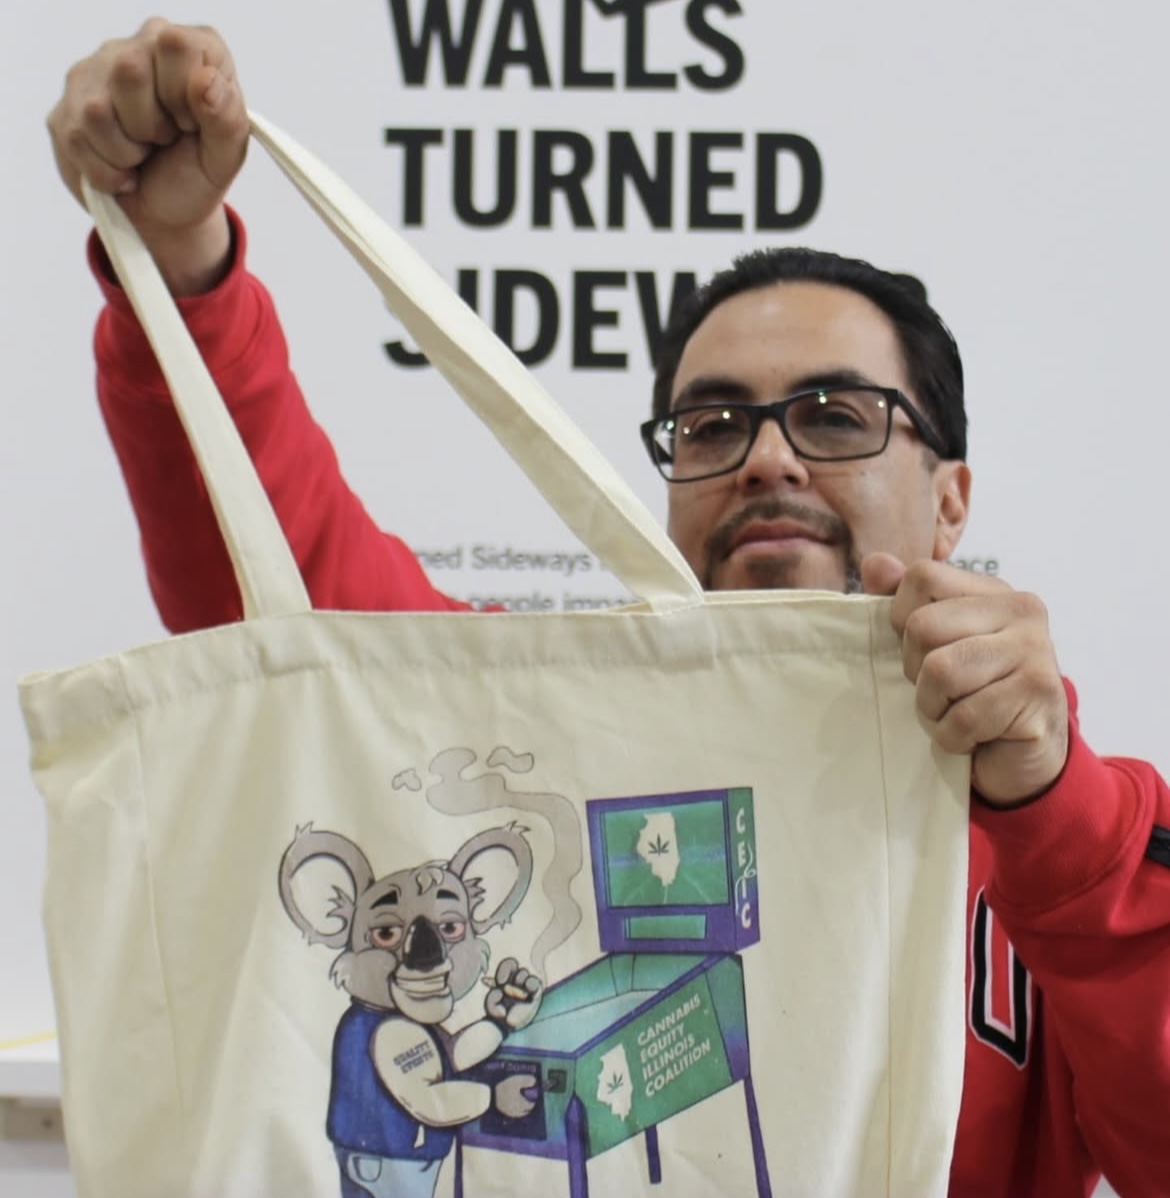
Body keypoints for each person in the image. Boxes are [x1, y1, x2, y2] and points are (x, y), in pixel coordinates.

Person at [47, 19, 1170, 1198]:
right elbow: (282, 576)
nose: (768, 459)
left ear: (951, 502)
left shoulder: (1081, 822)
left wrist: (1052, 802)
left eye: (836, 417)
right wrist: (181, 260)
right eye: (713, 426)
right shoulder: (534, 726)